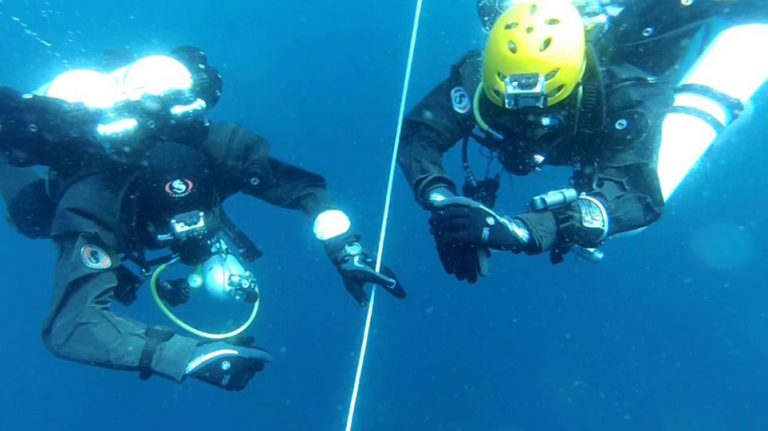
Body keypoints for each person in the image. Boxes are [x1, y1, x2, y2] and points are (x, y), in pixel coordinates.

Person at [0, 46, 405, 391]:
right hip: (97, 198)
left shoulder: (223, 149)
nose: (187, 225)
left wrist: (346, 249)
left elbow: (305, 190)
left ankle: (118, 65)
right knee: (33, 216)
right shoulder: (93, 200)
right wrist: (191, 357)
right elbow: (71, 326)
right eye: (175, 217)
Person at [398, 0, 676, 283]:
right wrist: (446, 204)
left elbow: (639, 195)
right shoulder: (475, 79)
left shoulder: (624, 98)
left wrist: (523, 231)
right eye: (511, 101)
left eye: (540, 102)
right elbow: (419, 135)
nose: (527, 116)